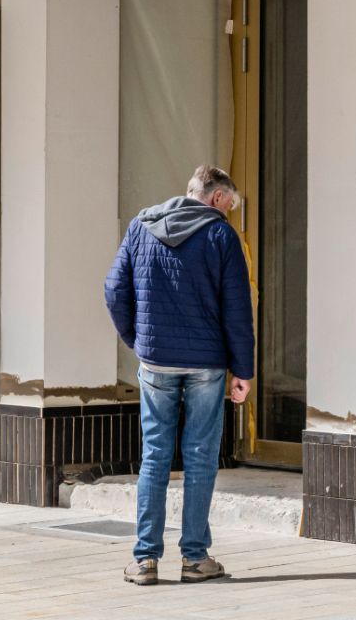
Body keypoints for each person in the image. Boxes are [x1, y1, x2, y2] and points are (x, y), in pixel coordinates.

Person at [104, 165, 255, 586]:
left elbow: (114, 289)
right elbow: (237, 310)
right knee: (201, 457)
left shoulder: (141, 226)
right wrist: (243, 371)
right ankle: (195, 558)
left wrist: (139, 340)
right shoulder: (222, 236)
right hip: (206, 364)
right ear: (218, 198)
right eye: (232, 204)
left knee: (154, 456)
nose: (231, 212)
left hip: (156, 363)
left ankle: (145, 560)